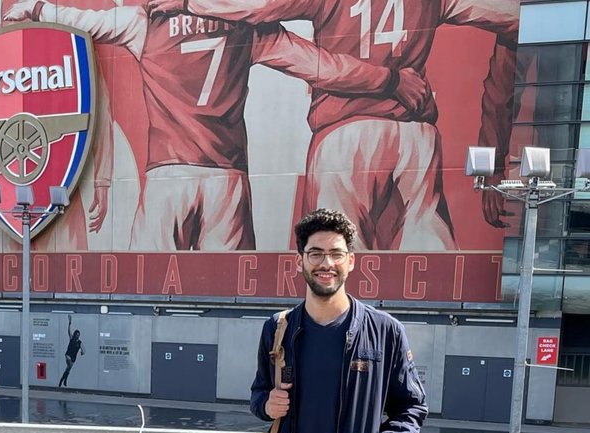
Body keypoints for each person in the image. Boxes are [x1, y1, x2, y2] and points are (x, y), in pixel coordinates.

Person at [4, 1, 430, 251]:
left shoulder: (142, 22)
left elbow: (78, 19)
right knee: (229, 296)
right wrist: (390, 80)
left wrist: (34, 8)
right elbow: (323, 67)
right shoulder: (249, 28)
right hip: (227, 180)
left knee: (149, 289)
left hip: (166, 176)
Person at [147, 0, 519, 249]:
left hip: (343, 134)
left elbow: (257, 6)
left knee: (332, 260)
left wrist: (187, 3)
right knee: (428, 251)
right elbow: (517, 20)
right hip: (413, 134)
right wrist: (494, 149)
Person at [249, 208, 428, 433]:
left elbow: (412, 406)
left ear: (351, 261)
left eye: (335, 253)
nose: (325, 263)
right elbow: (258, 394)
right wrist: (266, 405)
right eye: (315, 253)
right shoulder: (278, 328)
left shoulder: (385, 331)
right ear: (300, 261)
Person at [59, 315, 85, 387]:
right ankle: (64, 381)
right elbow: (69, 331)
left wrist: (82, 352)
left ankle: (62, 380)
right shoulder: (71, 338)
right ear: (75, 334)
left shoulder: (79, 342)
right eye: (76, 334)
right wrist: (69, 323)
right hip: (68, 355)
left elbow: (83, 349)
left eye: (78, 335)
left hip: (74, 358)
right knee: (69, 366)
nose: (77, 336)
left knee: (68, 369)